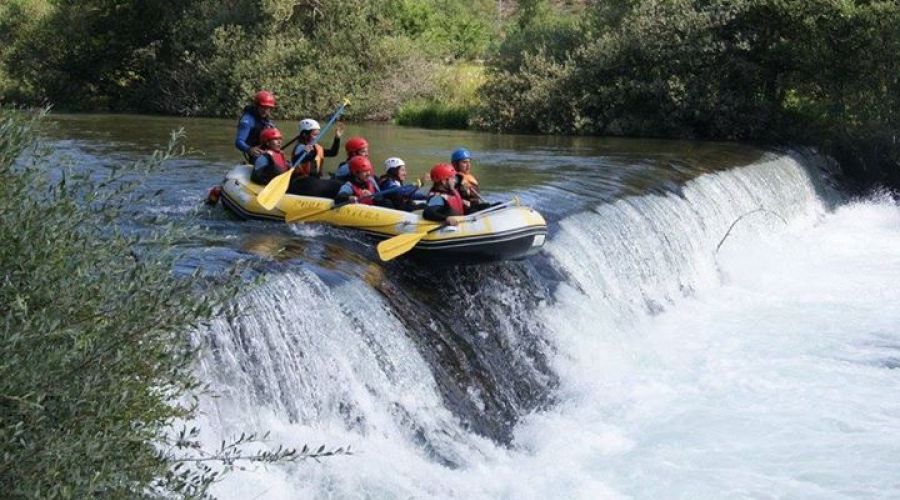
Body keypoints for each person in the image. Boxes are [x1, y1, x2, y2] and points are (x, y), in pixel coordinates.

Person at [235, 90, 276, 161]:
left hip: (266, 151)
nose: (265, 110)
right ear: (256, 106)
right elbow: (238, 142)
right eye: (263, 107)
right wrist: (249, 149)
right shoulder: (247, 121)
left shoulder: (267, 120)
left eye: (268, 108)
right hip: (255, 154)